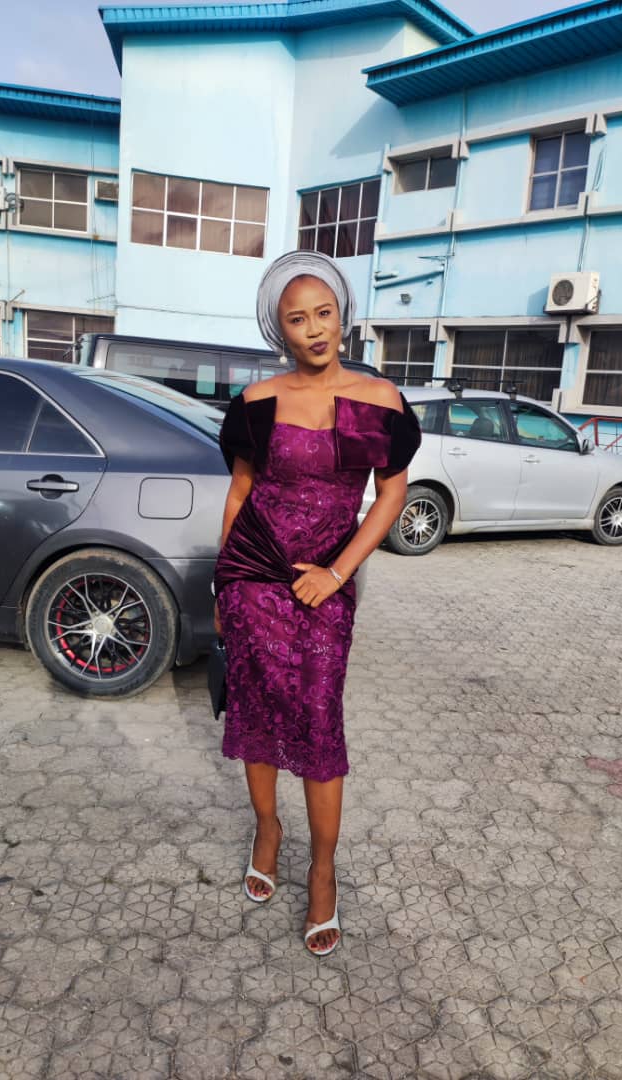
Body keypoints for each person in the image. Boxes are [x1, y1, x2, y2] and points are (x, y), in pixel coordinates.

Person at [213, 250, 421, 956]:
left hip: (322, 585)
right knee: (255, 710)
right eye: (298, 319)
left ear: (342, 317)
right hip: (252, 576)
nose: (314, 329)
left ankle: (323, 870)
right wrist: (222, 584)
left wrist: (336, 573)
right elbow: (239, 495)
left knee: (319, 721)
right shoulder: (257, 404)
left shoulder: (380, 401)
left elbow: (389, 497)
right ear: (282, 331)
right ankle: (268, 829)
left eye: (323, 313)